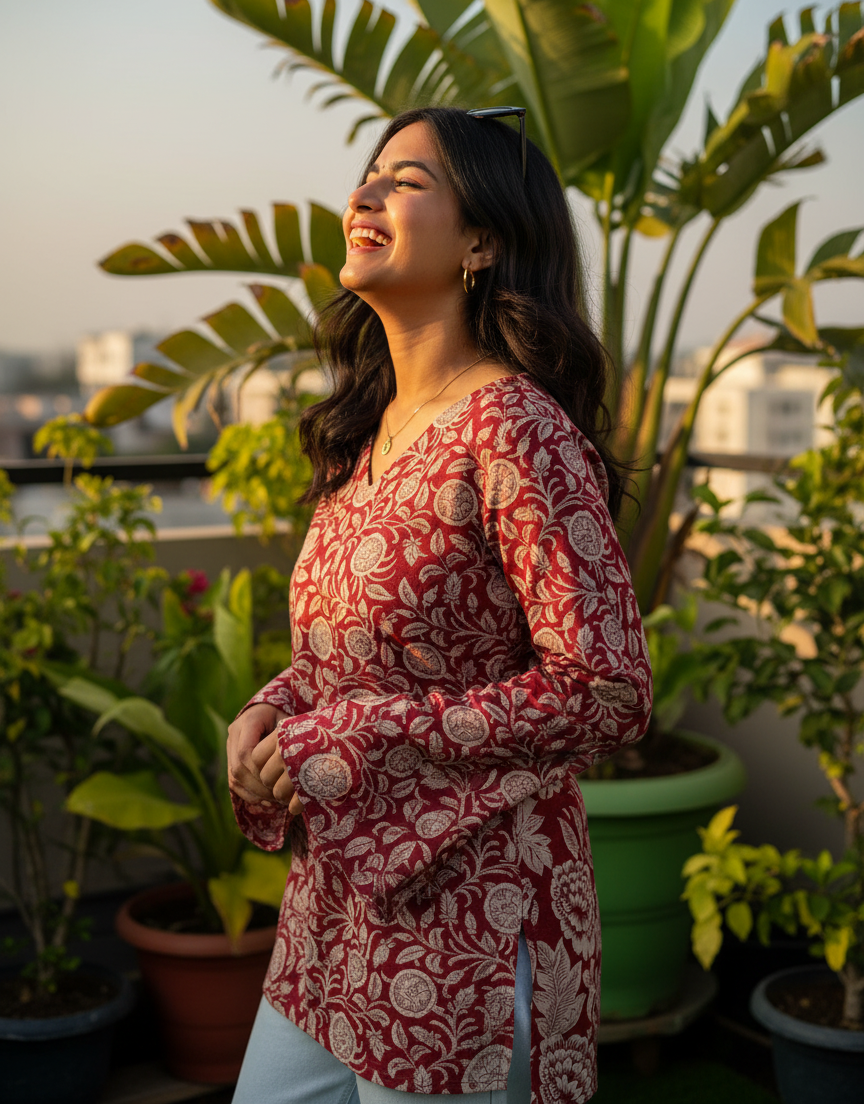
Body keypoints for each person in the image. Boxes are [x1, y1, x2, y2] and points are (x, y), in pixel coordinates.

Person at [227, 106, 652, 1104]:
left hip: (467, 918)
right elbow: (365, 657)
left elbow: (607, 687)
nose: (364, 194)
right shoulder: (367, 435)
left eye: (407, 181)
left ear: (482, 241)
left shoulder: (515, 426)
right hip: (331, 911)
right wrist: (276, 706)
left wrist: (366, 733)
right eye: (368, 174)